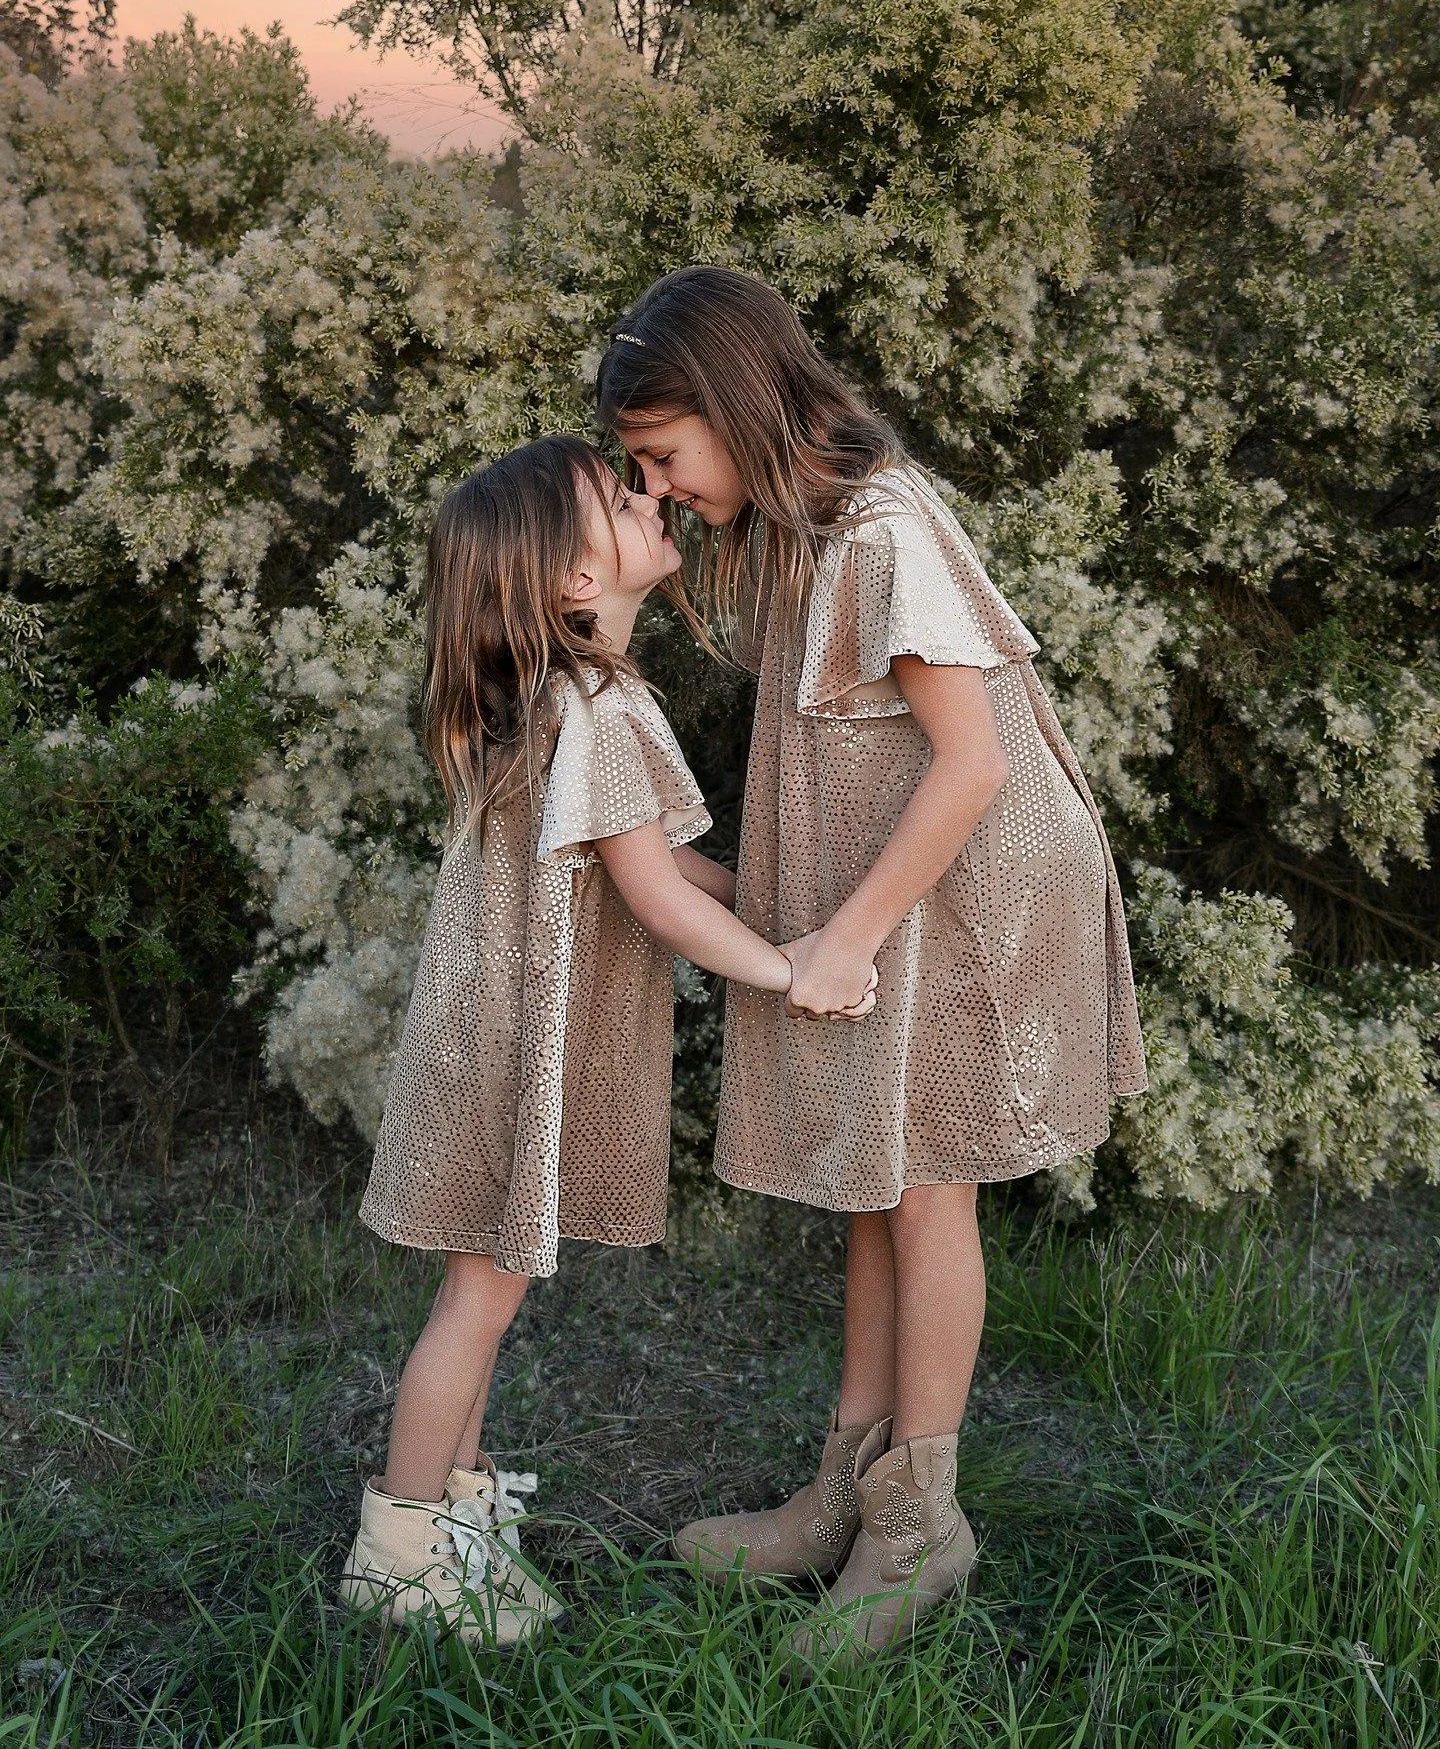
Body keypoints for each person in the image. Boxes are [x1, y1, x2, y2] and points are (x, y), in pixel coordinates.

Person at [598, 270, 1148, 1666]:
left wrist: (840, 936)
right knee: (870, 1169)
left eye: (663, 456)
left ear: (731, 404)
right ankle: (847, 1484)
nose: (655, 490)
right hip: (899, 884)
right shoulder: (809, 532)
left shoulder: (888, 529)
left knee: (925, 1185)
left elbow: (969, 764)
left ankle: (923, 1521)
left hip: (973, 889)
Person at [339, 433, 874, 1648]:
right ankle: (403, 1550)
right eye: (617, 497)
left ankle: (458, 1519)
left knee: (488, 1290)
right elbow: (658, 897)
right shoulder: (598, 703)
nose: (649, 497)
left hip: (490, 1039)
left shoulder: (559, 700)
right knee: (475, 1302)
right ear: (576, 583)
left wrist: (773, 897)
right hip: (508, 1053)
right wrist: (793, 967)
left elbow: (662, 862)